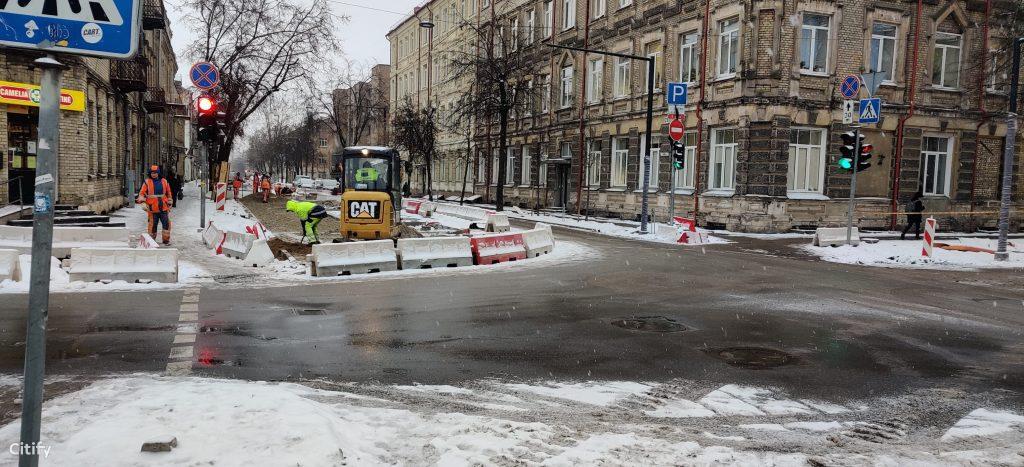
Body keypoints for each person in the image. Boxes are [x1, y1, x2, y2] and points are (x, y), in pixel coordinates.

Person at [136, 165, 174, 245]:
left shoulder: (164, 181)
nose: (153, 174)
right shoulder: (147, 182)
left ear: (158, 173)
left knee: (166, 224)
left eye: (155, 173)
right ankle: (151, 241)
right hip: (152, 208)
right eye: (152, 173)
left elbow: (168, 192)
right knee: (153, 225)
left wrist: (170, 200)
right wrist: (142, 202)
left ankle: (166, 240)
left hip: (164, 207)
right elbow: (141, 193)